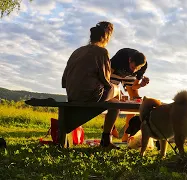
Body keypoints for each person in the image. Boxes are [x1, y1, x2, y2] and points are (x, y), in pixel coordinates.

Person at [62, 21, 120, 149]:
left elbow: (64, 79)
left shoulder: (77, 51)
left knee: (114, 103)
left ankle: (108, 135)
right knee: (117, 92)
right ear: (106, 38)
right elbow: (106, 80)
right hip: (90, 96)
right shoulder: (102, 52)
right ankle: (107, 138)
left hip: (72, 95)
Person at [109, 48, 150, 142]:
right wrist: (117, 91)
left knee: (136, 99)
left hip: (127, 77)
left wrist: (141, 85)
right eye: (132, 67)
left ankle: (127, 134)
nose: (134, 71)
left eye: (137, 69)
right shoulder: (120, 56)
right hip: (114, 72)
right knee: (112, 97)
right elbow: (106, 77)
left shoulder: (142, 66)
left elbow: (134, 87)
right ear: (129, 60)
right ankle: (111, 127)